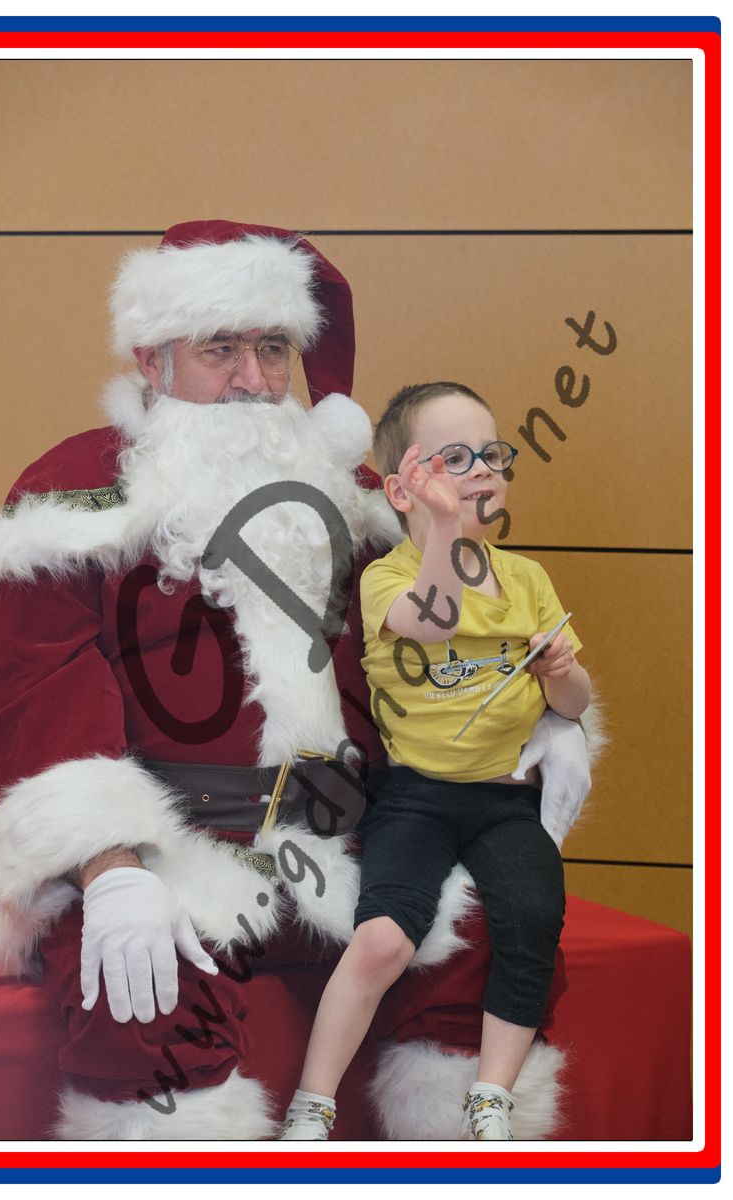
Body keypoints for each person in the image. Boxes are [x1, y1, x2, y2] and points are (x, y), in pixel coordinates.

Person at [0, 222, 598, 1140]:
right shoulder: (74, 495)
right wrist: (111, 869)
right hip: (175, 847)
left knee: (488, 938)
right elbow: (37, 696)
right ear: (151, 358)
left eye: (274, 349)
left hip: (356, 838)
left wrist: (542, 715)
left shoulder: (357, 493)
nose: (255, 379)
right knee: (143, 1003)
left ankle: (459, 1168)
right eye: (220, 349)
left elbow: (454, 633)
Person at [281, 381, 590, 1141]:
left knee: (533, 922)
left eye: (492, 455)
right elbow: (435, 618)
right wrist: (446, 525)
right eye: (455, 459)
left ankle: (492, 1095)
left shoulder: (526, 579)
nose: (482, 470)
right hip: (416, 798)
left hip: (507, 800)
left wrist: (561, 673)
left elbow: (575, 702)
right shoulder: (386, 578)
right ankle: (313, 1104)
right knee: (384, 937)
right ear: (400, 490)